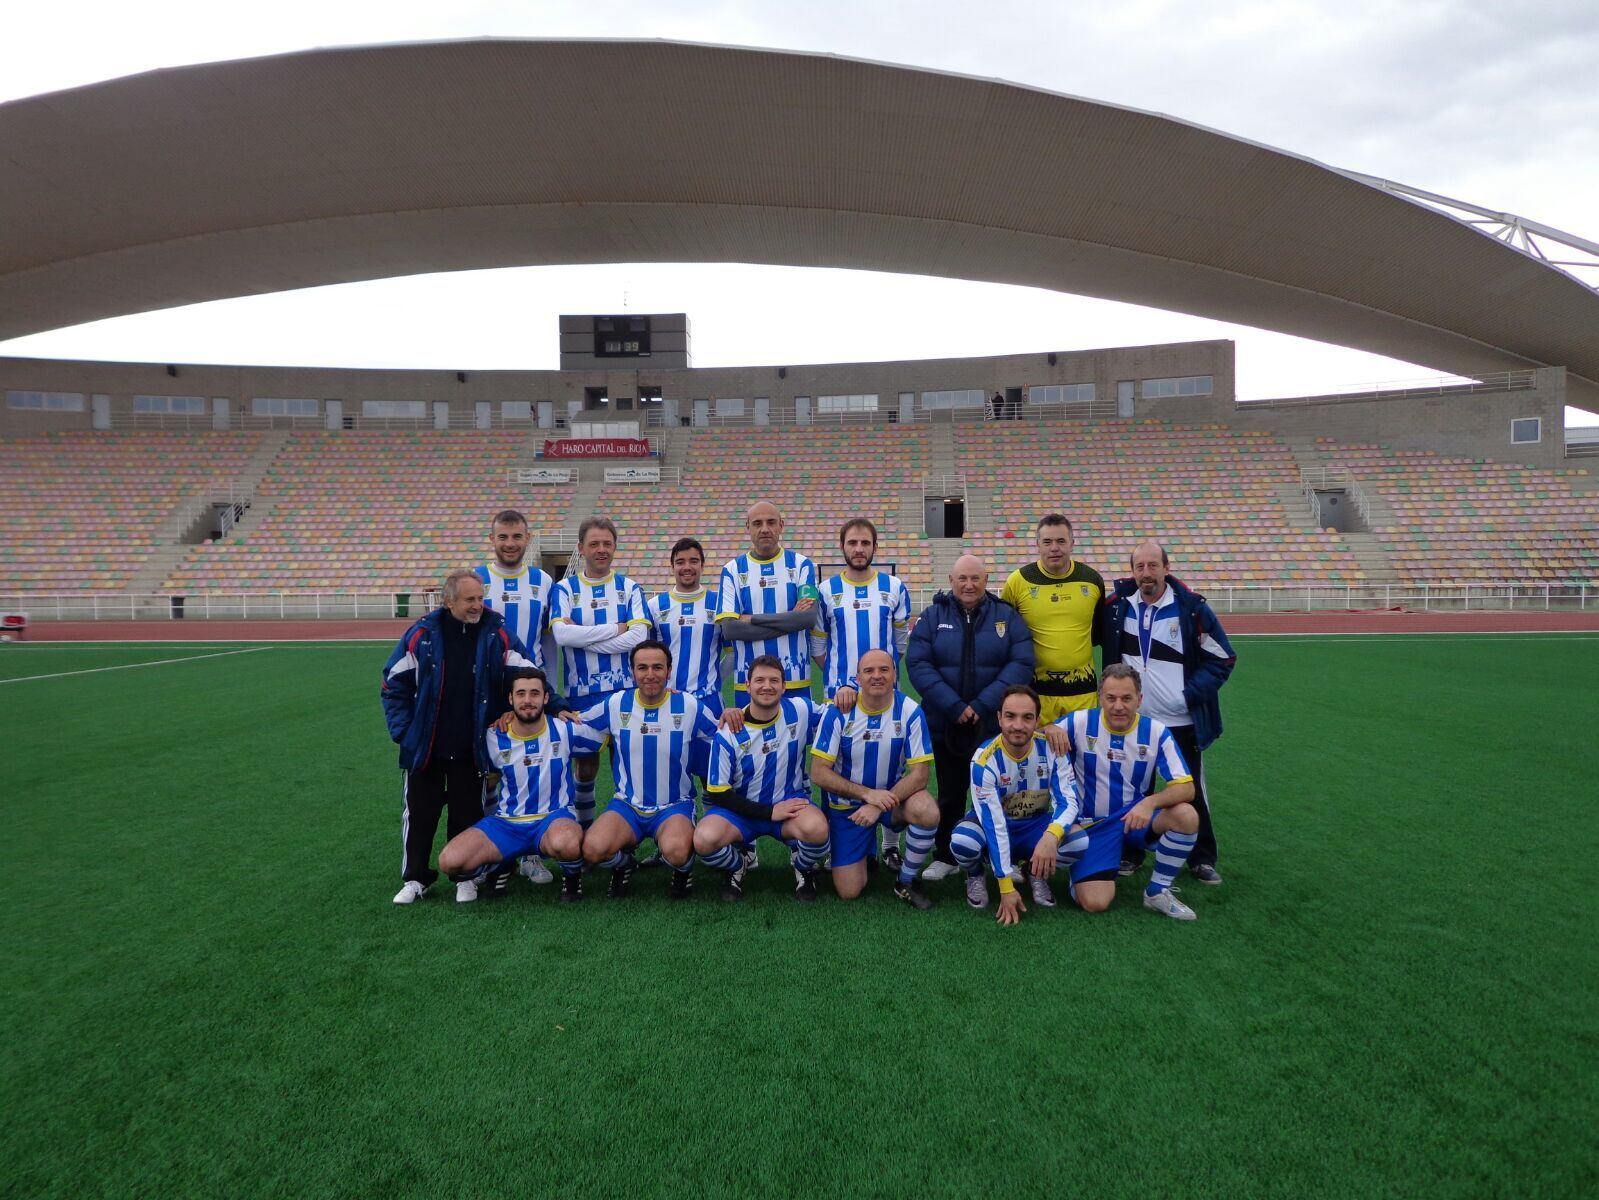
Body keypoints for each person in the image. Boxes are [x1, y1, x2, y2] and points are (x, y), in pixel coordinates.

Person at [380, 568, 547, 905]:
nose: (477, 605)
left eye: (481, 598)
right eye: (470, 599)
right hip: (426, 747)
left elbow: (528, 673)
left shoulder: (495, 632)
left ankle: (465, 879)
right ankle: (416, 879)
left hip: (471, 746)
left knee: (466, 813)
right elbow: (392, 683)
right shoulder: (422, 634)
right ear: (448, 600)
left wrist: (554, 704)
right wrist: (404, 732)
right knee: (420, 813)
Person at [1102, 542, 1237, 885]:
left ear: (1166, 567)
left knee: (1190, 789)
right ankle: (1131, 852)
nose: (1146, 573)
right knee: (1133, 792)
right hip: (1134, 722)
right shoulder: (1117, 607)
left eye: (1152, 566)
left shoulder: (1191, 609)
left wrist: (1187, 695)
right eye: (1139, 567)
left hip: (1181, 722)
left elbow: (1223, 657)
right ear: (1131, 571)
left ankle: (1201, 857)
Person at [906, 554, 1034, 879]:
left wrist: (982, 704)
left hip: (993, 724)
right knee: (951, 790)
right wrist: (953, 706)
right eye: (962, 578)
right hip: (945, 721)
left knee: (997, 791)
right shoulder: (932, 617)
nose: (968, 584)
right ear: (951, 580)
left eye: (975, 578)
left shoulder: (1007, 616)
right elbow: (919, 664)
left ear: (986, 579)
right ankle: (947, 854)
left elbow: (1021, 663)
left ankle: (997, 854)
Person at [1051, 664, 1203, 921]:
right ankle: (1083, 871)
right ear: (1101, 698)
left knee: (1186, 815)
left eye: (1126, 698)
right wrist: (1049, 728)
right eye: (1111, 698)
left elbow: (1186, 786)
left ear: (1139, 699)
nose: (1118, 706)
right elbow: (1036, 735)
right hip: (1091, 827)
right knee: (1095, 903)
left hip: (1133, 820)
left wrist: (1150, 803)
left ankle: (1157, 891)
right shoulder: (1078, 722)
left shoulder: (1156, 732)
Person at [436, 668, 600, 903]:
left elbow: (613, 727)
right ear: (511, 699)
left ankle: (572, 878)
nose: (527, 701)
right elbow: (486, 779)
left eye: (534, 694)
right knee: (449, 861)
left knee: (567, 841)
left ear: (545, 698)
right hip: (507, 824)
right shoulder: (493, 736)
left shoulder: (564, 729)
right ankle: (500, 866)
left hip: (553, 819)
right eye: (521, 694)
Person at [577, 640, 723, 900]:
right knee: (592, 849)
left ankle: (682, 870)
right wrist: (535, 715)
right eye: (642, 667)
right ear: (632, 671)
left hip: (673, 805)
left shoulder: (688, 705)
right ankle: (624, 865)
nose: (650, 674)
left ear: (669, 670)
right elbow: (575, 722)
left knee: (677, 852)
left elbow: (722, 735)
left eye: (658, 667)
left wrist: (738, 713)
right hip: (627, 806)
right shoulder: (616, 703)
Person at [809, 649, 940, 909]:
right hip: (847, 808)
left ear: (894, 675)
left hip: (892, 800)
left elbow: (921, 775)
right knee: (849, 891)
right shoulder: (838, 712)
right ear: (857, 678)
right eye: (869, 671)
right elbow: (818, 772)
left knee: (927, 810)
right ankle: (864, 846)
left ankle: (906, 880)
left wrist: (877, 803)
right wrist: (867, 795)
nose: (877, 676)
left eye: (884, 670)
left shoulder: (911, 711)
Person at [695, 656, 832, 902]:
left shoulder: (801, 709)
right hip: (742, 811)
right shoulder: (728, 731)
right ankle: (737, 865)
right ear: (747, 686)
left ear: (784, 686)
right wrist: (769, 812)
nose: (766, 686)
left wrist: (847, 693)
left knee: (819, 831)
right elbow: (718, 792)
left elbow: (837, 715)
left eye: (773, 680)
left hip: (790, 803)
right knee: (704, 841)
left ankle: (803, 867)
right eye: (759, 680)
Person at [473, 508, 558, 889]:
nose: (510, 544)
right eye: (503, 537)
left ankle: (532, 855)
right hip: (489, 691)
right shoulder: (477, 580)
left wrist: (549, 688)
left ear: (528, 540)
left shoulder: (543, 581)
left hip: (530, 691)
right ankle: (498, 853)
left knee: (534, 770)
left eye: (517, 537)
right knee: (491, 772)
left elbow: (548, 640)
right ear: (492, 540)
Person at [550, 517, 651, 829]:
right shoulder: (565, 588)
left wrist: (587, 640)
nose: (601, 549)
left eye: (607, 543)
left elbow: (639, 638)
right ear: (581, 548)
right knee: (586, 765)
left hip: (624, 695)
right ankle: (583, 828)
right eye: (594, 543)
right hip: (582, 695)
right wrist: (614, 630)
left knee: (627, 766)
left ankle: (626, 835)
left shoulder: (630, 588)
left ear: (615, 548)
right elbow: (562, 637)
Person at [949, 685, 1081, 925]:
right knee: (963, 841)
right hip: (997, 825)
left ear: (1037, 720)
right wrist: (1005, 886)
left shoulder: (1053, 749)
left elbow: (1069, 801)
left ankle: (1035, 871)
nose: (1018, 725)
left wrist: (1051, 836)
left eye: (1027, 717)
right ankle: (976, 873)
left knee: (1078, 841)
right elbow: (994, 823)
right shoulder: (984, 759)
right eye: (1010, 716)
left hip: (1034, 825)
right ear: (999, 718)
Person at [1000, 514, 1106, 724]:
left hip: (1082, 694)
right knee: (1039, 755)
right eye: (1047, 542)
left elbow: (1097, 634)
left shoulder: (1093, 580)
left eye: (1061, 541)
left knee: (1081, 755)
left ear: (1072, 543)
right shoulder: (1017, 581)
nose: (1054, 548)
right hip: (1035, 696)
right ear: (1037, 545)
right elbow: (1005, 636)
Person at [716, 500, 818, 706]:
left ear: (781, 525)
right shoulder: (732, 570)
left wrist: (752, 619)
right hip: (748, 682)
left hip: (795, 680)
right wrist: (790, 620)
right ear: (748, 527)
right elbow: (730, 629)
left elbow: (807, 618)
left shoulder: (802, 565)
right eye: (757, 523)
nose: (765, 529)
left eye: (771, 522)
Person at [647, 536, 726, 717]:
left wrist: (711, 678)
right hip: (667, 698)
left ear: (702, 565)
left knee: (710, 746)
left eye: (694, 561)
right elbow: (643, 656)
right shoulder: (654, 606)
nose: (687, 567)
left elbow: (731, 653)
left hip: (708, 700)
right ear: (672, 566)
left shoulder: (718, 604)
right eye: (680, 562)